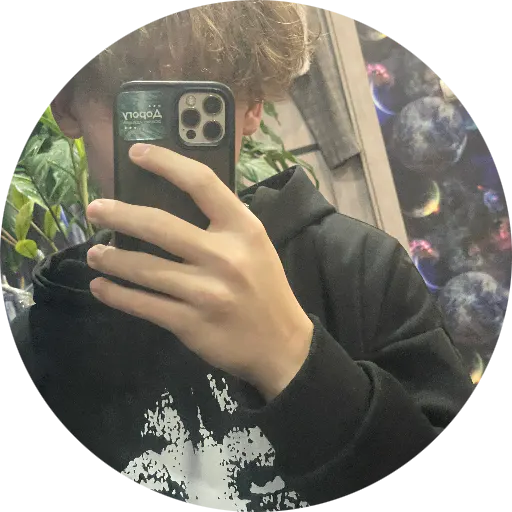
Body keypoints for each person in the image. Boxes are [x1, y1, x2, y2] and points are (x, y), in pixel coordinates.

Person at [8, 1, 476, 507]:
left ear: (252, 106)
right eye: (136, 101)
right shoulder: (39, 346)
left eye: (199, 98)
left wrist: (291, 355)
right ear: (67, 106)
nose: (167, 149)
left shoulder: (364, 271)